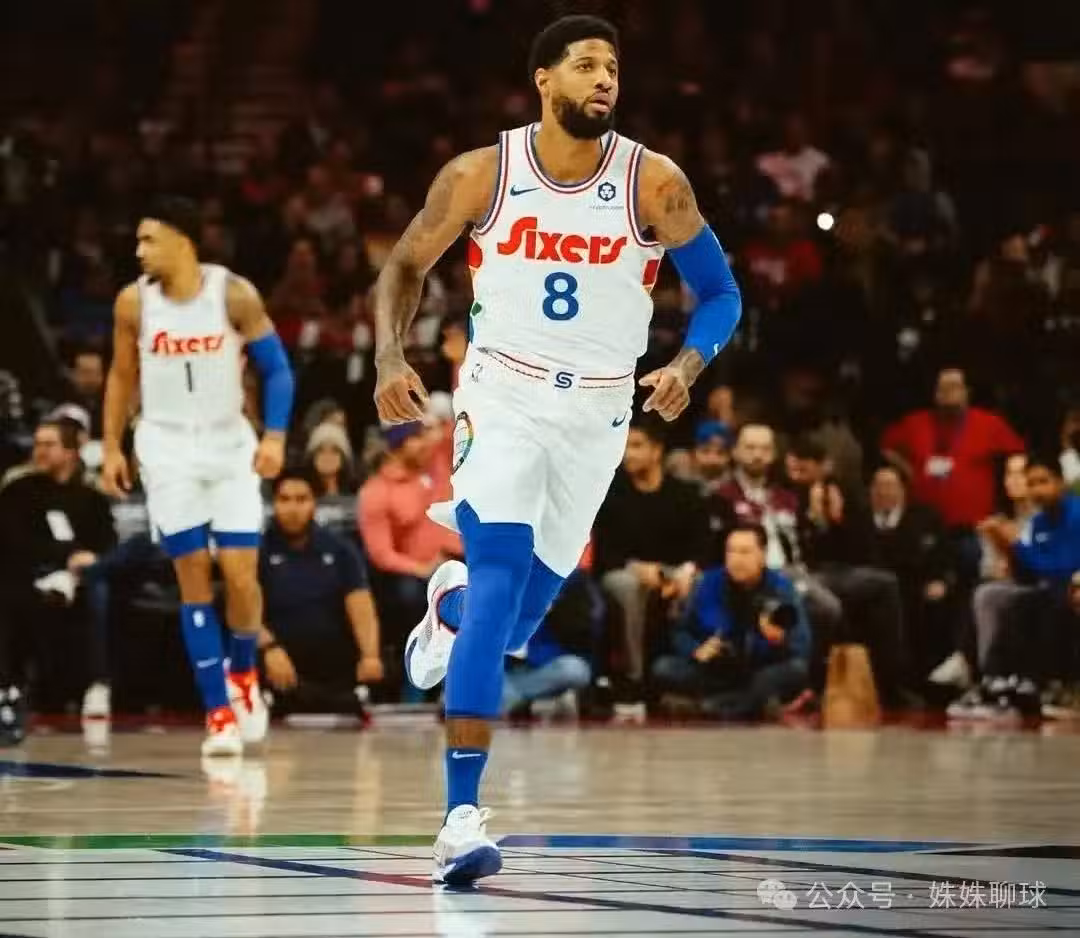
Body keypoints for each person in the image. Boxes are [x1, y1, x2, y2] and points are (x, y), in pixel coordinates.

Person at [372, 15, 741, 884]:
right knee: (502, 578)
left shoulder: (654, 183)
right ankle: (461, 818)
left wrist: (688, 363)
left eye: (613, 66)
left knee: (518, 618)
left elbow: (721, 293)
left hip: (600, 412)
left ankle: (450, 609)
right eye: (585, 65)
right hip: (501, 394)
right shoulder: (482, 174)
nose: (604, 78)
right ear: (544, 80)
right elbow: (404, 264)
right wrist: (390, 356)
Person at [101, 196, 295, 758]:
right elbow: (121, 376)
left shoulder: (232, 294)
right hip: (165, 445)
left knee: (240, 574)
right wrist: (111, 445)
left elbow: (277, 369)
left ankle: (243, 674)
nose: (139, 250)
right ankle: (217, 712)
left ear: (182, 242)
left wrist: (275, 436)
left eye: (149, 239)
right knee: (191, 576)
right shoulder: (132, 303)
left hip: (228, 442)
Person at [0, 419, 116, 742]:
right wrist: (66, 555)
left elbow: (106, 541)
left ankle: (98, 685)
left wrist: (83, 561)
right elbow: (13, 540)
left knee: (99, 587)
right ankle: (8, 687)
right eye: (37, 444)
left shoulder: (91, 497)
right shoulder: (18, 490)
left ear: (70, 451)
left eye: (49, 444)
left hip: (81, 577)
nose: (40, 451)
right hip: (29, 572)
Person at [651, 524, 810, 720]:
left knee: (794, 670)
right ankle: (746, 704)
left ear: (762, 556)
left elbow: (802, 645)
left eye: (745, 552)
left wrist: (778, 641)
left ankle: (707, 707)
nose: (736, 559)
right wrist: (696, 650)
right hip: (717, 668)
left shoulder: (782, 589)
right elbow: (680, 631)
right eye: (731, 551)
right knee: (663, 668)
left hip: (760, 668)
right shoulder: (708, 583)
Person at [258, 469, 384, 713]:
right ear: (274, 504)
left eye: (301, 499)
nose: (293, 508)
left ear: (314, 503)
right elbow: (243, 608)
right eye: (284, 499)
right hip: (278, 655)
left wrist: (370, 655)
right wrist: (268, 648)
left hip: (331, 655)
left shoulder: (340, 548)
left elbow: (360, 603)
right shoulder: (257, 550)